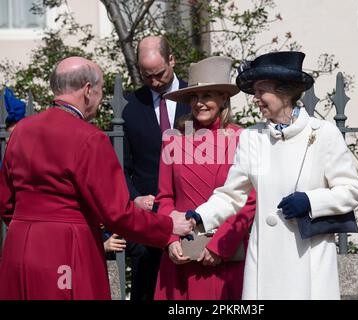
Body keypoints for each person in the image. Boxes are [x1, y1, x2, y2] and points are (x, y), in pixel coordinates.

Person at [0, 56, 193, 300]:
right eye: (101, 90)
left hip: (19, 249)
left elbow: (6, 203)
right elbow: (117, 214)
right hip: (68, 249)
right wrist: (167, 226)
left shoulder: (21, 131)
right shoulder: (90, 138)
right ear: (88, 90)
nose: (101, 99)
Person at [184, 51, 358, 299]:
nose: (255, 98)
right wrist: (201, 215)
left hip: (308, 259)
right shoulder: (252, 137)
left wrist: (311, 201)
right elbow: (231, 196)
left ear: (285, 92)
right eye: (254, 92)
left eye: (261, 91)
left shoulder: (323, 134)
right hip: (266, 263)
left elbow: (351, 190)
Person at [153, 56, 256, 300]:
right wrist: (170, 240)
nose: (199, 103)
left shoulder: (243, 139)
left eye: (207, 95)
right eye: (194, 97)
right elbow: (165, 198)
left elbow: (250, 200)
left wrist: (222, 244)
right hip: (181, 255)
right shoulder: (174, 139)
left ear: (223, 98)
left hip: (228, 255)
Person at [122, 36, 190, 301]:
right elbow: (122, 165)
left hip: (190, 211)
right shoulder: (129, 106)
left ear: (171, 60)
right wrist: (134, 197)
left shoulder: (197, 98)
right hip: (148, 216)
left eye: (159, 74)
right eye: (146, 75)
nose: (154, 82)